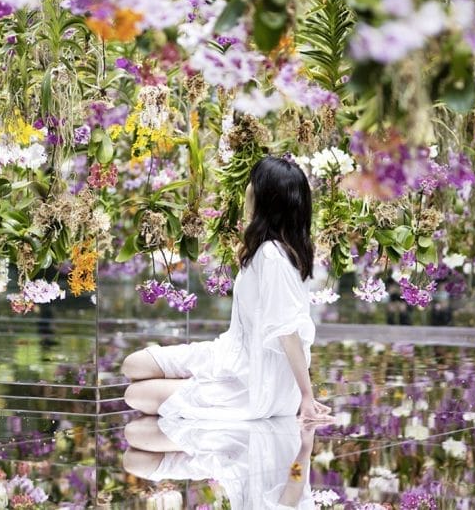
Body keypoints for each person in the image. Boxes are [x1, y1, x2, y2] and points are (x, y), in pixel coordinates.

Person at [120, 155, 333, 423]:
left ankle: (198, 418)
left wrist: (304, 396)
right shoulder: (271, 250)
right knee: (134, 364)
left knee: (137, 395)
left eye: (252, 182)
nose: (247, 189)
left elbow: (288, 331)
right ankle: (197, 388)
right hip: (228, 354)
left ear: (265, 197)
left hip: (253, 379)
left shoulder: (272, 255)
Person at [122, 415, 317, 508]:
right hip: (239, 446)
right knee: (134, 435)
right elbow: (294, 480)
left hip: (218, 468)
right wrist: (305, 449)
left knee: (133, 461)